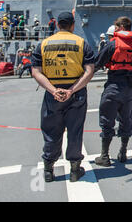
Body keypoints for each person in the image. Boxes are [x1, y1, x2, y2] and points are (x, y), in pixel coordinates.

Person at [31, 11, 95, 183]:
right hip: (76, 94)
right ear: (73, 24)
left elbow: (36, 71)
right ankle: (75, 170)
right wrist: (72, 90)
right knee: (75, 131)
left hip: (53, 95)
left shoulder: (43, 44)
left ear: (58, 24)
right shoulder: (82, 44)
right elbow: (89, 71)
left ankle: (48, 171)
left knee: (51, 132)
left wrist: (53, 90)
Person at [93, 16, 132, 166]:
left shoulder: (113, 44)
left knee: (107, 121)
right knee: (126, 120)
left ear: (121, 27)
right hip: (129, 88)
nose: (114, 29)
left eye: (116, 26)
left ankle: (105, 156)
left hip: (113, 86)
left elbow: (97, 63)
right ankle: (123, 152)